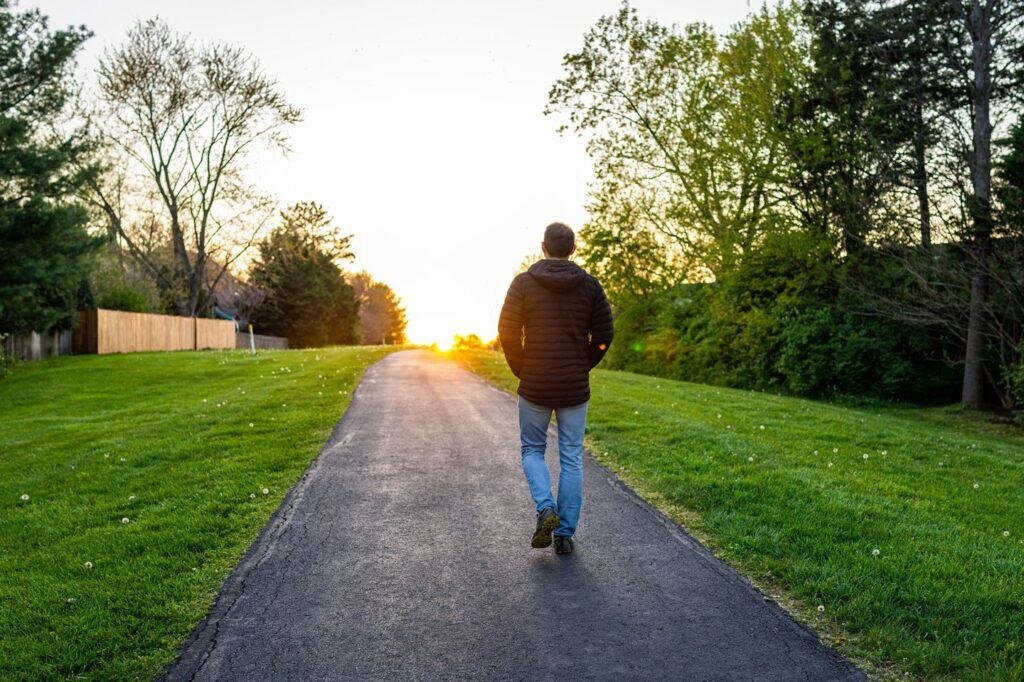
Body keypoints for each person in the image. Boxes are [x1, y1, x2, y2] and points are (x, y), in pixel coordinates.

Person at [498, 222, 613, 555]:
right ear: (573, 249)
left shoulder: (523, 283)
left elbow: (507, 331)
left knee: (532, 449)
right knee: (571, 457)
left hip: (535, 383)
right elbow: (605, 336)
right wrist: (582, 364)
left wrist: (522, 367)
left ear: (543, 247)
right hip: (574, 387)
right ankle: (563, 534)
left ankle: (545, 507)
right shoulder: (590, 286)